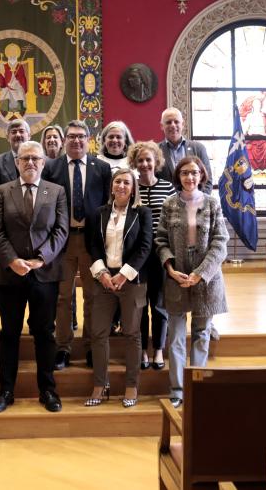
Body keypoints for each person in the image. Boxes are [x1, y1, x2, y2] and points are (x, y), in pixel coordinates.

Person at [0, 141, 69, 414]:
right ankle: (5, 390)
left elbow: (61, 229)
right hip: (10, 274)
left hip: (44, 274)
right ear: (17, 163)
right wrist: (13, 261)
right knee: (9, 333)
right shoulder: (1, 191)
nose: (30, 163)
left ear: (43, 163)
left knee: (44, 333)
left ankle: (47, 390)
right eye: (25, 159)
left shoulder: (56, 191)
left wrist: (41, 258)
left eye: (35, 158)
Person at [154, 156, 229, 409]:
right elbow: (161, 241)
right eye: (185, 173)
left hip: (206, 278)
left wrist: (201, 272)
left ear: (202, 175)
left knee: (201, 334)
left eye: (194, 173)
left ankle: (197, 386)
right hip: (177, 277)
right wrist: (171, 269)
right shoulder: (169, 204)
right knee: (175, 337)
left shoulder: (212, 204)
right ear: (178, 176)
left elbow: (220, 242)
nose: (190, 177)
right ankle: (177, 389)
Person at [42, 119, 113, 370]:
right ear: (64, 140)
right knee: (63, 297)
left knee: (93, 296)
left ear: (88, 140)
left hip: (92, 242)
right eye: (71, 136)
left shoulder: (101, 168)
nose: (76, 140)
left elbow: (108, 206)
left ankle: (92, 346)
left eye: (81, 136)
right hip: (63, 241)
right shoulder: (52, 168)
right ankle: (63, 347)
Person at [84, 168, 152, 408]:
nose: (122, 186)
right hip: (103, 280)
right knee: (99, 332)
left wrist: (124, 275)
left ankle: (132, 385)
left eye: (126, 182)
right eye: (118, 182)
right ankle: (100, 385)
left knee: (132, 333)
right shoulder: (98, 214)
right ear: (111, 186)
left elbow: (145, 246)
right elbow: (91, 245)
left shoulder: (142, 213)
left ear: (133, 188)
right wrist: (102, 273)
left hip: (132, 281)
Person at [128, 141, 175, 371]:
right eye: (140, 160)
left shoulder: (167, 187)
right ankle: (142, 350)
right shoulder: (131, 188)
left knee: (157, 304)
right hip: (137, 256)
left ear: (156, 162)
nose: (145, 164)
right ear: (134, 163)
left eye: (149, 160)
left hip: (159, 254)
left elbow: (174, 222)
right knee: (139, 304)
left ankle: (158, 348)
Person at [157, 107, 213, 195]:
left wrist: (199, 203)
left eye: (176, 121)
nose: (173, 125)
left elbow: (207, 181)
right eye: (168, 122)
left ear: (182, 124)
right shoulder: (156, 151)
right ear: (161, 126)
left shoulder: (198, 148)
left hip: (196, 205)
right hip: (167, 205)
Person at [0, 117, 31, 184]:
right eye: (14, 132)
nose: (18, 135)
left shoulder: (41, 160)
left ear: (29, 136)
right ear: (7, 137)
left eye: (21, 131)